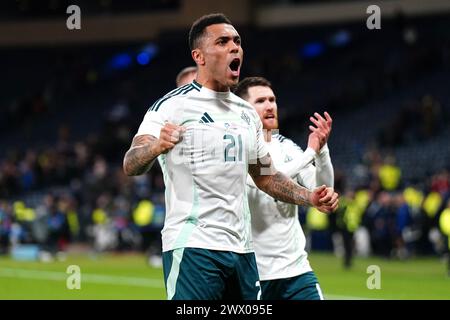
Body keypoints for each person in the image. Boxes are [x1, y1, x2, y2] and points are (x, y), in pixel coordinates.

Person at [123, 13, 339, 300]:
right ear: (199, 56)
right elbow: (131, 162)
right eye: (223, 42)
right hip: (193, 247)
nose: (234, 47)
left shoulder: (246, 113)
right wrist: (156, 146)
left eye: (237, 41)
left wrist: (308, 197)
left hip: (242, 252)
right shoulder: (171, 106)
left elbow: (266, 176)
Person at [234, 76, 334, 300]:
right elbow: (266, 180)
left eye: (272, 99)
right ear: (243, 109)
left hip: (296, 270)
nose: (269, 105)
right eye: (260, 101)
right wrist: (310, 153)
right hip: (254, 273)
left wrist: (322, 151)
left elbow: (322, 188)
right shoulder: (237, 148)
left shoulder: (287, 147)